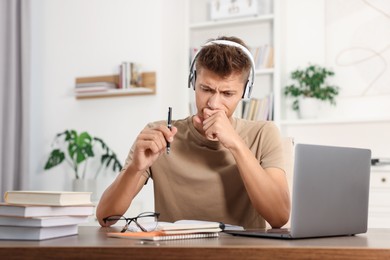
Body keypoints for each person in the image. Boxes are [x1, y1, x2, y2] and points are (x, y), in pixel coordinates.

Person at [96, 36, 290, 229]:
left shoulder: (263, 133)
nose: (213, 104)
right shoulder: (160, 135)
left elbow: (279, 217)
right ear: (193, 82)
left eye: (227, 94)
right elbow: (106, 217)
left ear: (245, 92)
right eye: (205, 89)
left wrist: (235, 144)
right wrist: (134, 169)